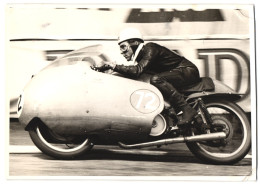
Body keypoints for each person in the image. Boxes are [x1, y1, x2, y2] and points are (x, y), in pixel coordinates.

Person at [97, 28, 201, 126]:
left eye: (123, 46)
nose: (121, 51)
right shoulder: (142, 57)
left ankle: (187, 109)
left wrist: (114, 66)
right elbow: (134, 71)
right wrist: (107, 69)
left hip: (188, 70)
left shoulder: (150, 48)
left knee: (156, 79)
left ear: (134, 43)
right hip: (178, 73)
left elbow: (136, 71)